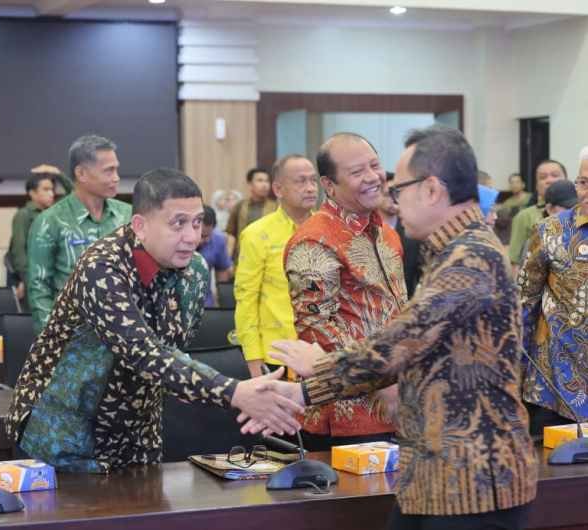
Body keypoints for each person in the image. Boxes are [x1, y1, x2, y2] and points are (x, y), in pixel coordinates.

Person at [247, 126, 537, 530]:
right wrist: (304, 389)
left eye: (397, 187)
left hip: (471, 479)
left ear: (432, 190)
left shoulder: (471, 258)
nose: (391, 196)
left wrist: (312, 375)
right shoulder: (452, 250)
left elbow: (399, 343)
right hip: (433, 469)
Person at [5, 168, 303, 472]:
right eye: (178, 223)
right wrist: (234, 392)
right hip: (64, 432)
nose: (192, 237)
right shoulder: (101, 267)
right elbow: (143, 352)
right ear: (141, 226)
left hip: (138, 435)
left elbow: (174, 352)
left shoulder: (195, 272)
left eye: (197, 222)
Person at [284, 133, 406, 448]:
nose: (372, 177)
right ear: (329, 185)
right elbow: (317, 328)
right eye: (356, 172)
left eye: (375, 166)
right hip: (347, 415)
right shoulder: (314, 241)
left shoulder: (387, 233)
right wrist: (378, 380)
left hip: (399, 403)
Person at [27, 135, 132, 334]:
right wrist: (54, 338)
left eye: (116, 169)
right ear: (81, 173)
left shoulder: (128, 216)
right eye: (108, 170)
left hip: (126, 333)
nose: (116, 177)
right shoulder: (50, 222)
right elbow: (39, 287)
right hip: (74, 335)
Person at [518, 150, 588, 436]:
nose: (586, 191)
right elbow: (523, 305)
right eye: (583, 182)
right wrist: (513, 378)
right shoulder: (550, 231)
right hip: (553, 389)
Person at [234, 155, 318, 378]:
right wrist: (254, 360)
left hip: (323, 354)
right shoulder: (256, 234)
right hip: (277, 356)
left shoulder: (327, 230)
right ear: (278, 189)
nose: (310, 188)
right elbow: (246, 299)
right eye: (301, 181)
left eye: (313, 180)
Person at [6, 171, 56, 305]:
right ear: (32, 193)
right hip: (34, 279)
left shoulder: (53, 215)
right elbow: (19, 251)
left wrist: (59, 175)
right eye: (46, 189)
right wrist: (26, 280)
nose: (51, 194)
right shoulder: (24, 215)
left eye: (52, 189)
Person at [509, 160, 566, 271]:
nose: (549, 180)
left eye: (555, 175)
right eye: (543, 177)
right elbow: (514, 262)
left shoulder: (580, 211)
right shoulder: (524, 217)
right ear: (536, 185)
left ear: (566, 180)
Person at [225, 168, 277, 260]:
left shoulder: (276, 207)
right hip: (243, 256)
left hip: (268, 257)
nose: (265, 185)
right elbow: (231, 233)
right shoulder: (240, 206)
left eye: (267, 181)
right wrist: (228, 259)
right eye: (260, 180)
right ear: (250, 184)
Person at [197, 205, 233, 307]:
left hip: (205, 303)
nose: (206, 240)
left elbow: (222, 273)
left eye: (209, 235)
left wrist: (221, 300)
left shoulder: (218, 240)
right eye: (202, 236)